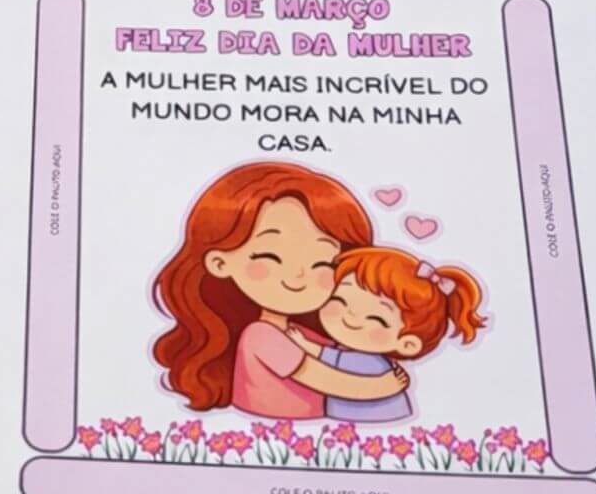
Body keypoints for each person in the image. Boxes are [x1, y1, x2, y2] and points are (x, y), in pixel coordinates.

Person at [152, 161, 409, 418]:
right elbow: (325, 379)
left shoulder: (299, 333)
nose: (298, 276)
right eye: (271, 257)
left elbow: (335, 354)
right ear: (220, 263)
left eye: (322, 263)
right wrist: (383, 386)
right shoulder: (262, 336)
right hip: (276, 430)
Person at [290, 245, 487, 423]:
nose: (350, 315)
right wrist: (303, 343)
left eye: (375, 319)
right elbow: (330, 355)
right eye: (339, 300)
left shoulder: (371, 363)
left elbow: (339, 379)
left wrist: (384, 386)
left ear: (407, 344)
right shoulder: (349, 352)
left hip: (371, 421)